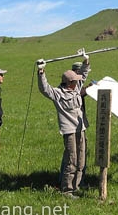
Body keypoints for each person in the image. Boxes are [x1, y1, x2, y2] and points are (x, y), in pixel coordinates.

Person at [37, 52, 90, 198]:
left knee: (81, 160)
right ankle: (67, 190)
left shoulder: (76, 87)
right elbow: (44, 88)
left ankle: (76, 186)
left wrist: (86, 60)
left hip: (81, 128)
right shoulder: (58, 93)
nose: (79, 82)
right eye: (76, 81)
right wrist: (41, 71)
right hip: (70, 131)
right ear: (69, 82)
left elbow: (83, 75)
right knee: (71, 160)